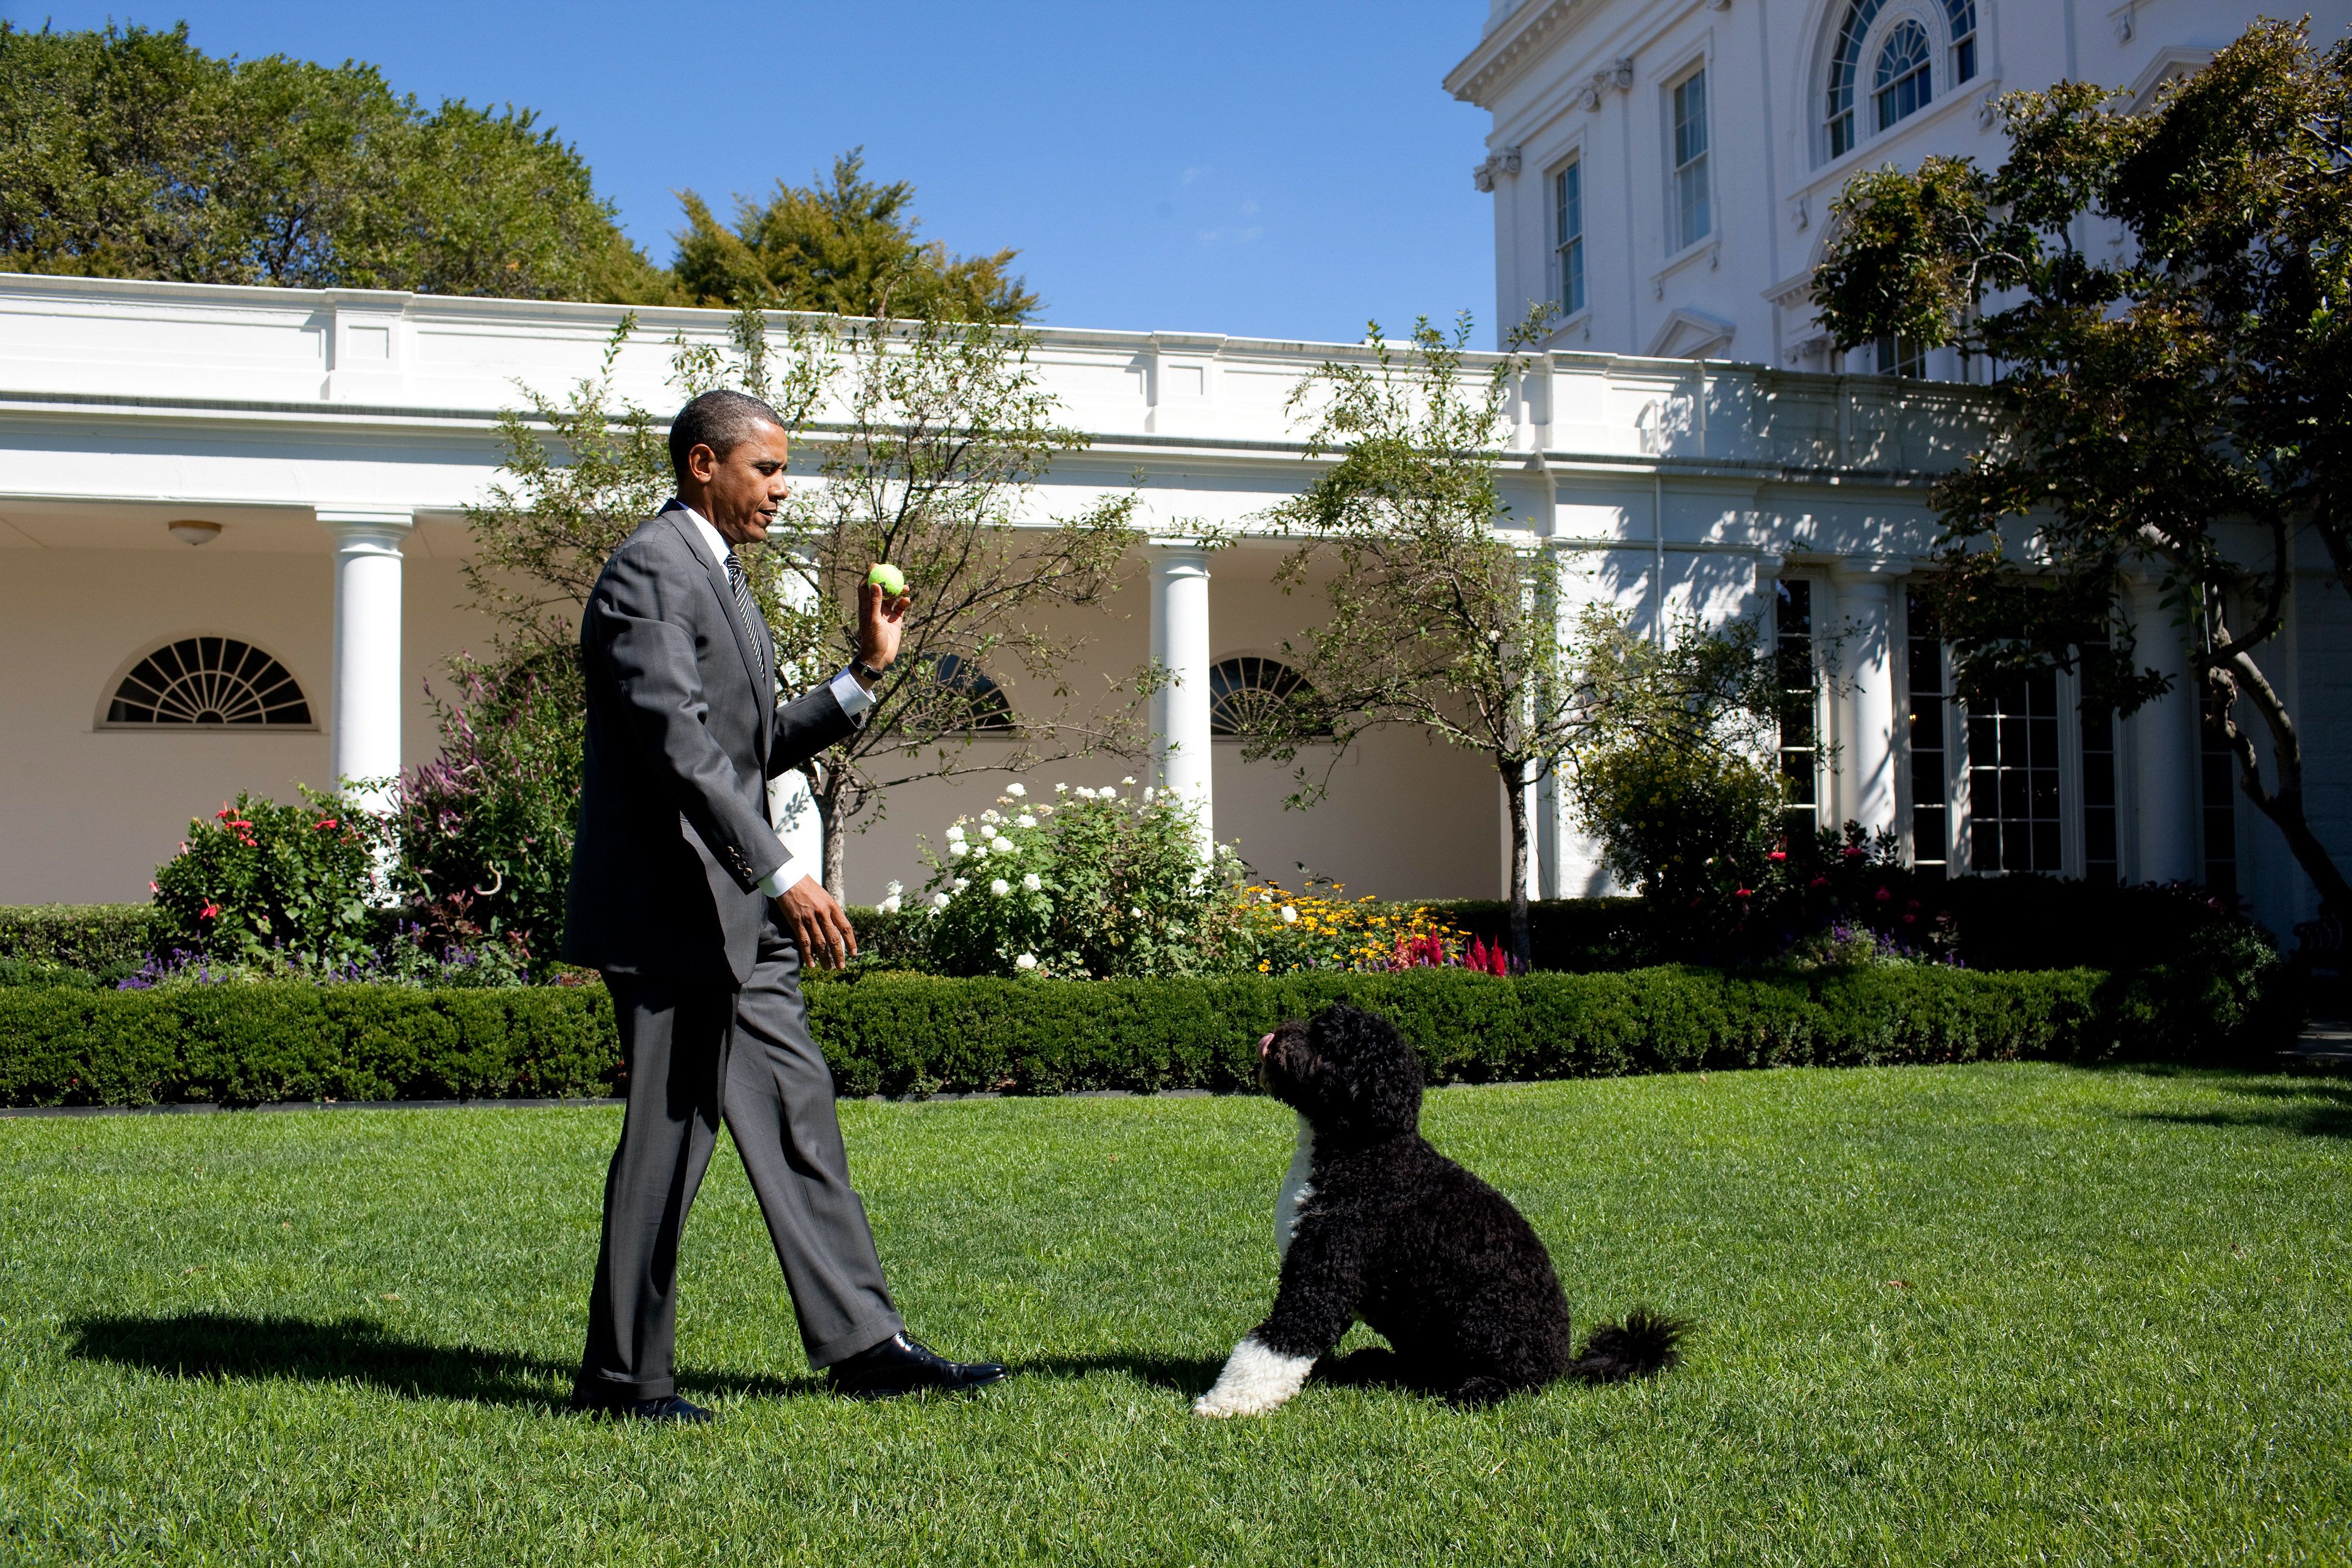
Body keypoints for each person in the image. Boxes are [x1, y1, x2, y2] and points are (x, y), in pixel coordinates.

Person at [561, 388, 1005, 1423]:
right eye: (767, 469)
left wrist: (862, 676)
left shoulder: (720, 580)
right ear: (702, 465)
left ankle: (867, 1345)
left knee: (801, 1118)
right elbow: (679, 744)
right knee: (669, 1140)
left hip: (740, 918)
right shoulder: (649, 573)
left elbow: (750, 741)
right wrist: (782, 871)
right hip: (675, 911)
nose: (781, 488)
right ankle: (624, 1383)